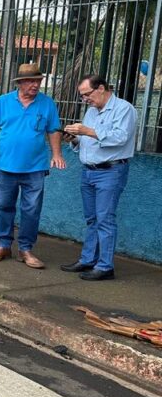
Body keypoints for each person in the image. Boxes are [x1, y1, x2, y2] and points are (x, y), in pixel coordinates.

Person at [0, 63, 66, 268]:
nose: (35, 85)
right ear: (21, 83)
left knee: (31, 210)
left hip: (35, 168)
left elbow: (53, 130)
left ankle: (26, 249)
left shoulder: (47, 103)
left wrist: (56, 153)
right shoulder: (3, 102)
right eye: (31, 81)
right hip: (6, 166)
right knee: (3, 206)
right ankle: (3, 245)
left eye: (38, 81)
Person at [60, 75, 137, 281]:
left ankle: (105, 266)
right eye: (82, 96)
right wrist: (75, 139)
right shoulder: (91, 112)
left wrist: (87, 130)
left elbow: (120, 138)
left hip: (110, 171)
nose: (85, 99)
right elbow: (87, 142)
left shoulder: (124, 109)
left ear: (101, 88)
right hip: (89, 170)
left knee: (105, 219)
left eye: (87, 94)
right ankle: (88, 259)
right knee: (92, 218)